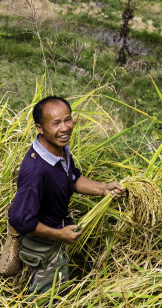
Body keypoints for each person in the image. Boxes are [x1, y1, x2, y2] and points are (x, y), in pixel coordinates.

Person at [7, 96, 125, 296]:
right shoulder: (36, 170)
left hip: (57, 236)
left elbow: (72, 178)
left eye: (67, 120)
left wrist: (103, 188)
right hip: (43, 248)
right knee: (46, 305)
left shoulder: (59, 150)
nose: (65, 128)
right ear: (40, 128)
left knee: (57, 294)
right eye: (55, 123)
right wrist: (60, 235)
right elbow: (20, 221)